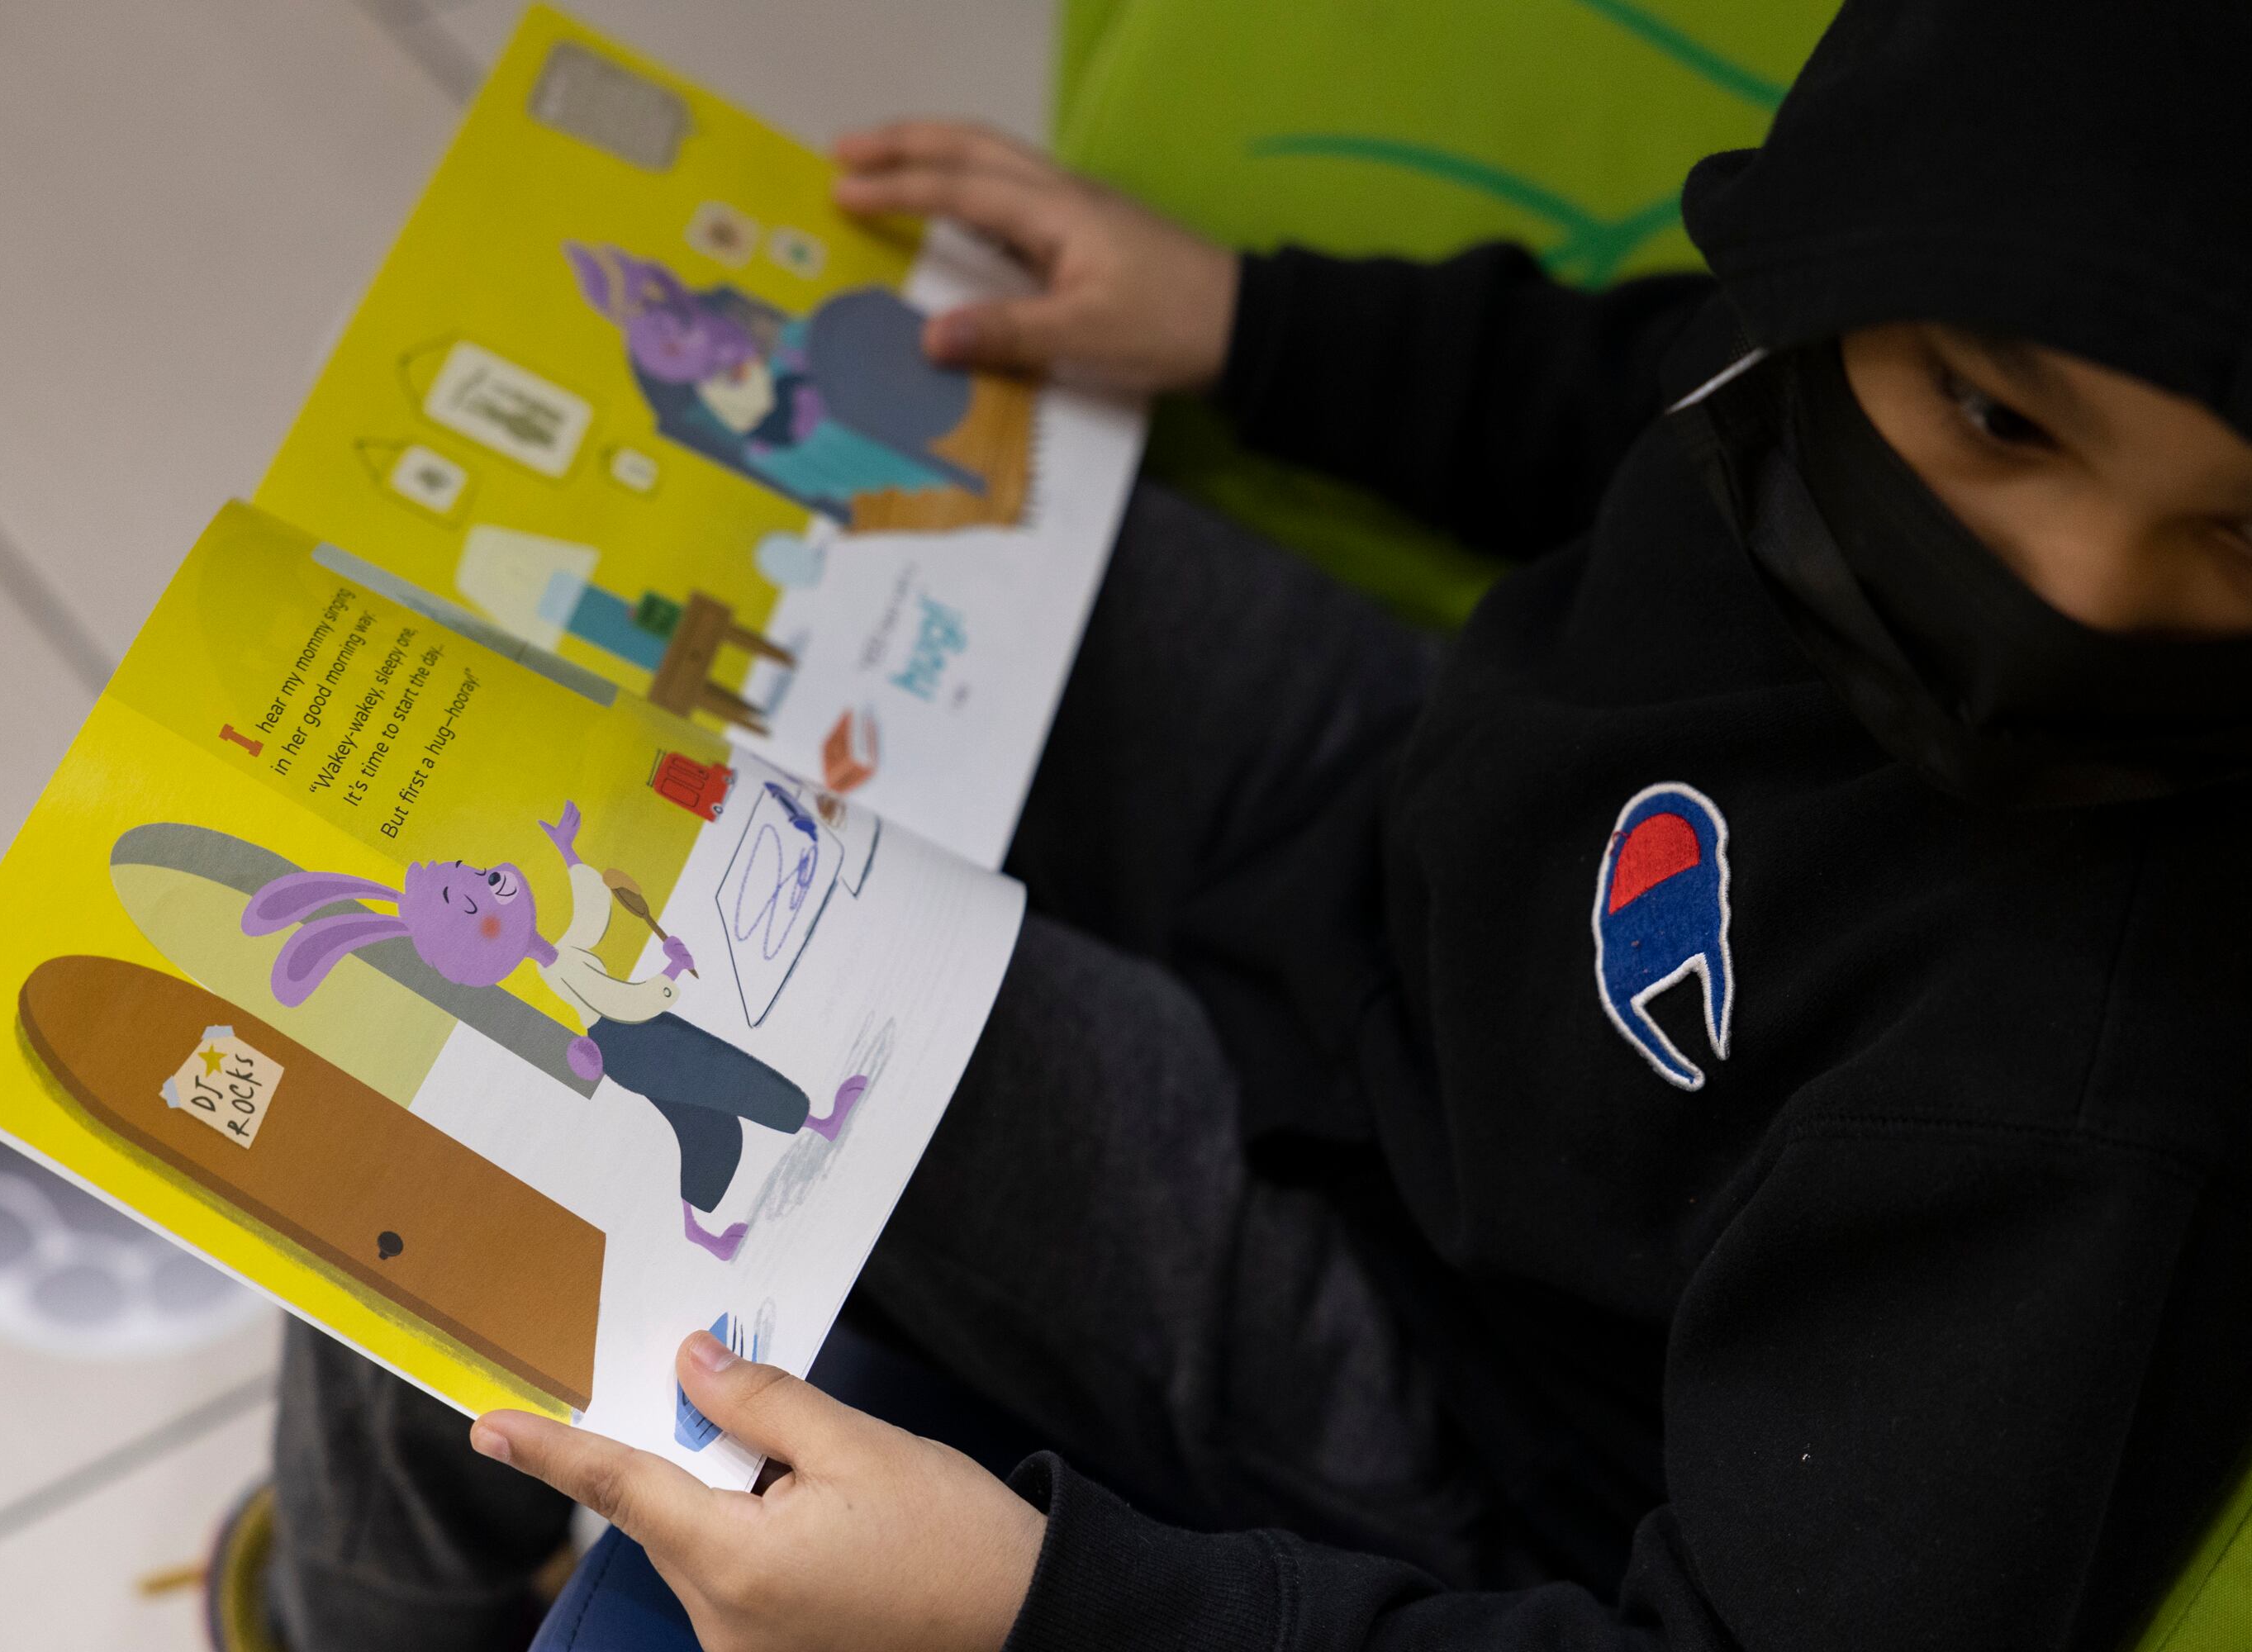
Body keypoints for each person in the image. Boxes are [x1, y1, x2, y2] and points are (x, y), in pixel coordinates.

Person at [270, 1, 2252, 1647]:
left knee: (516, 1038)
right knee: (644, 629)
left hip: (1435, 1376)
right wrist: (1248, 323)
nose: (2071, 592)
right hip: (1380, 832)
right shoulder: (1845, 304)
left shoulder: (2075, 1091)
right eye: (1998, 420)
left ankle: (356, 1612)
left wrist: (1050, 1607)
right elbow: (1638, 380)